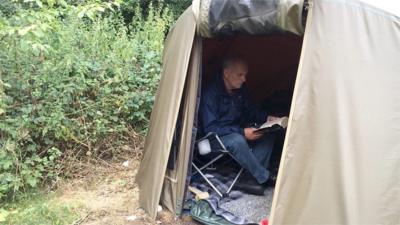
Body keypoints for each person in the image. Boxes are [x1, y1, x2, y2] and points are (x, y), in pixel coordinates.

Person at [199, 55, 278, 189]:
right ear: (226, 73)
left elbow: (251, 109)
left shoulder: (240, 89)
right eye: (240, 75)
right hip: (209, 142)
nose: (244, 79)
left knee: (269, 132)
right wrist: (242, 132)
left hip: (235, 132)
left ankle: (251, 177)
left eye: (245, 75)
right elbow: (210, 128)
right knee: (237, 140)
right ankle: (264, 178)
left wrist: (267, 118)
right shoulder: (210, 93)